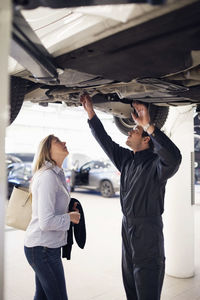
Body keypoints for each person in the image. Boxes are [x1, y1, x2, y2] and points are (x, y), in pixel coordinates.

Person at [81, 94, 182, 300]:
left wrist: (148, 125)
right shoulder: (127, 160)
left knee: (147, 286)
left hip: (148, 232)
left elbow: (174, 158)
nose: (129, 130)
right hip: (127, 228)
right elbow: (105, 142)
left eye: (135, 130)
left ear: (146, 139)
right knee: (130, 284)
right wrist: (91, 114)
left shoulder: (156, 166)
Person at [24, 134, 80, 300]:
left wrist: (68, 209)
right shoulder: (48, 176)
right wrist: (69, 217)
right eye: (58, 141)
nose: (64, 142)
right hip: (42, 249)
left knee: (42, 296)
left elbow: (52, 208)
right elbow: (46, 222)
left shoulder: (56, 174)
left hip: (46, 248)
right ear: (47, 150)